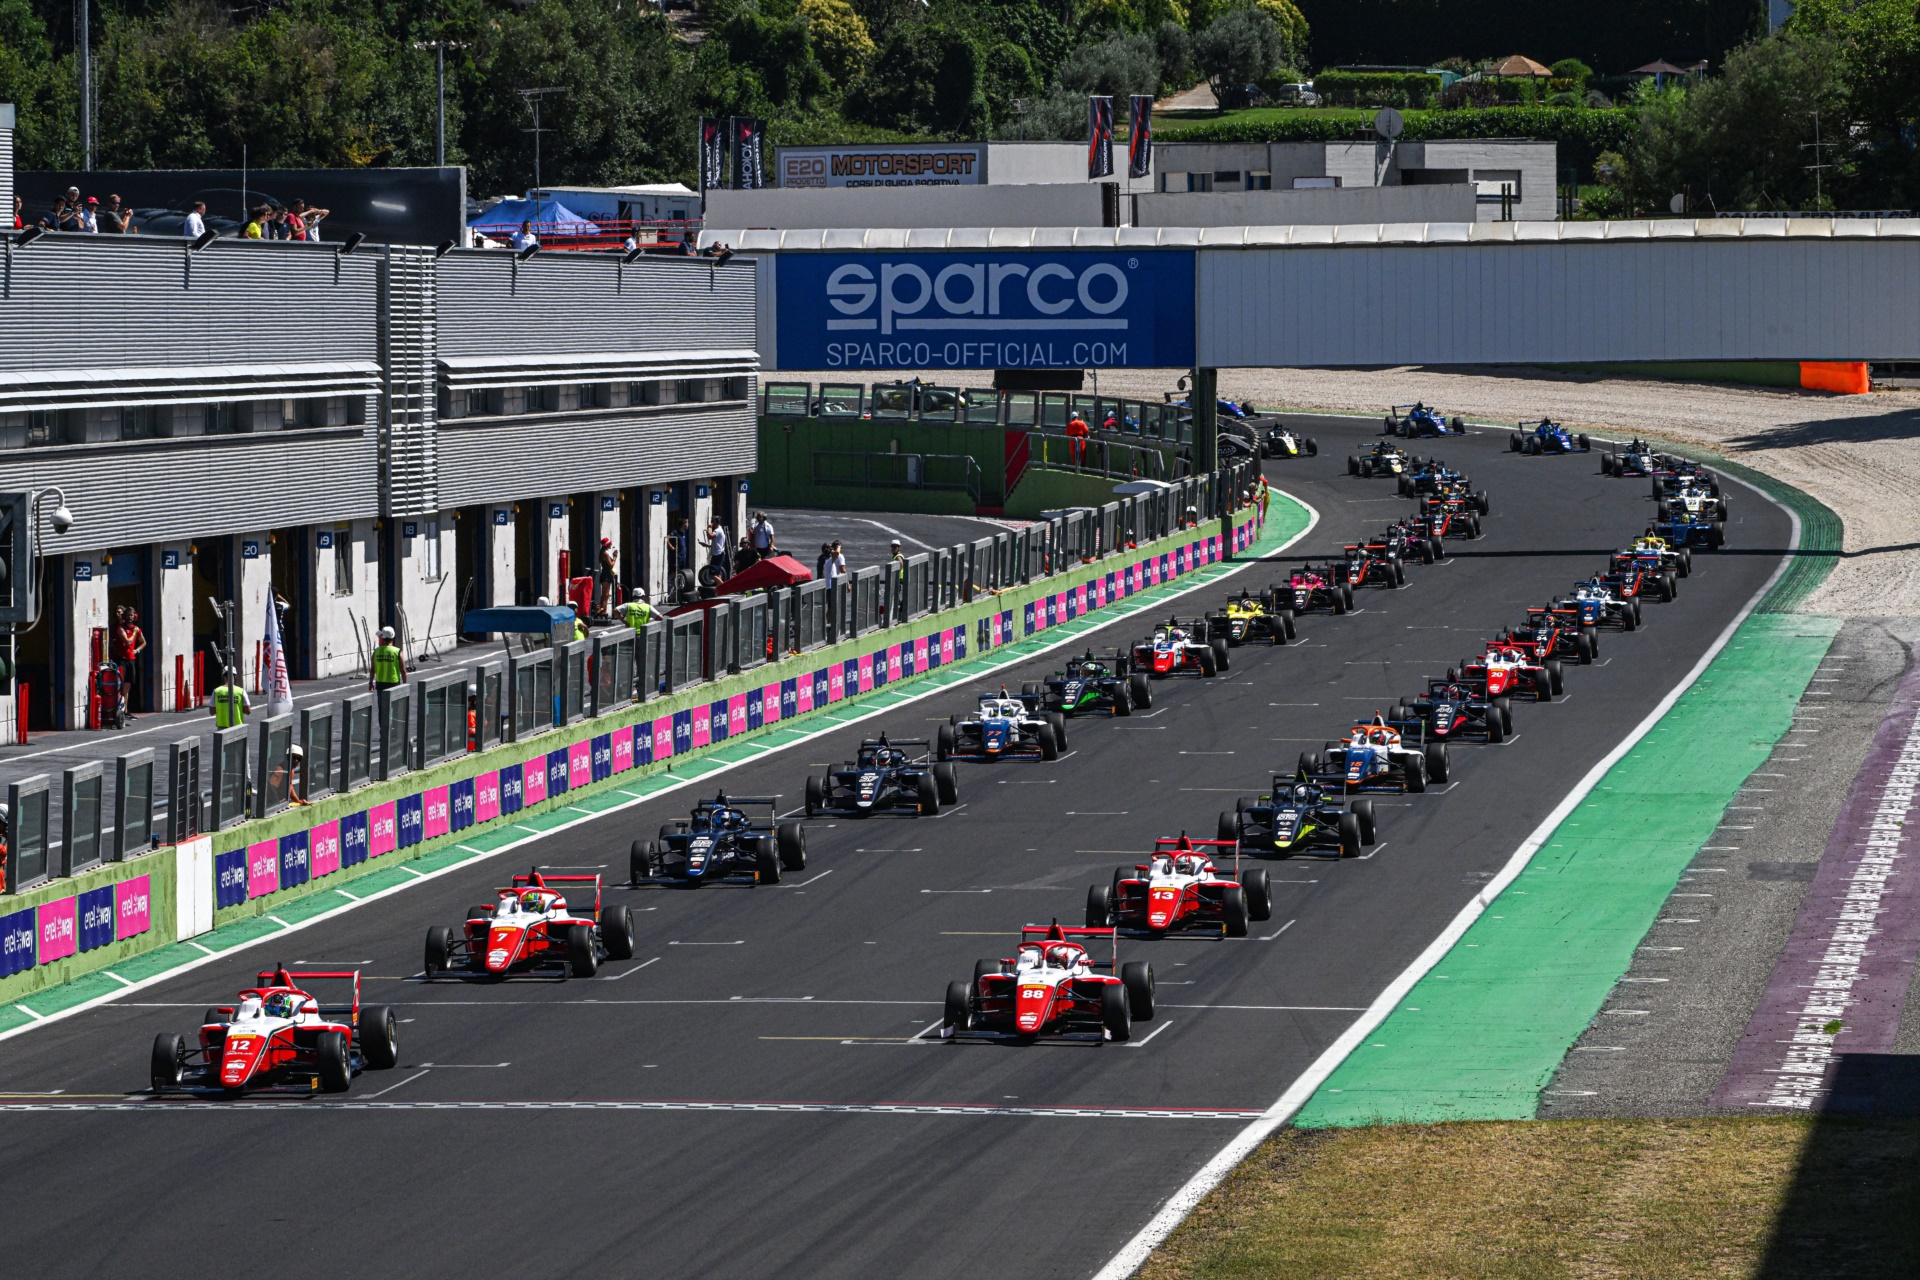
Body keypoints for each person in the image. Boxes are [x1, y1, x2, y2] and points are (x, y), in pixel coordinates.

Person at [111, 606, 147, 719]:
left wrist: (137, 650)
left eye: (132, 615)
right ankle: (119, 709)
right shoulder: (120, 628)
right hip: (121, 658)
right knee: (120, 684)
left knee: (128, 685)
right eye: (128, 615)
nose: (130, 617)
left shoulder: (136, 629)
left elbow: (144, 642)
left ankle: (126, 710)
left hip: (131, 659)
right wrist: (134, 633)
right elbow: (127, 641)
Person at [370, 625, 407, 691]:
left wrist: (371, 683)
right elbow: (403, 670)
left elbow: (373, 669)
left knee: (381, 701)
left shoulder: (376, 651)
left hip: (380, 683)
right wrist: (405, 684)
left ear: (383, 638)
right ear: (393, 637)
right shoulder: (397, 651)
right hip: (393, 683)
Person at [594, 536, 618, 617]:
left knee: (605, 594)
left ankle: (604, 610)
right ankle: (602, 610)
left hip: (606, 574)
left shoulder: (603, 553)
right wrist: (615, 557)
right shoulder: (605, 554)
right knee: (605, 594)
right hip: (606, 575)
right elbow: (611, 565)